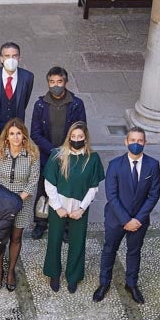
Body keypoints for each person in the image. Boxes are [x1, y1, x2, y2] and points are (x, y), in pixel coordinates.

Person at [95, 127, 160, 305]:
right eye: (133, 140)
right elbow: (112, 195)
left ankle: (131, 284)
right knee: (109, 250)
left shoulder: (152, 165)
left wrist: (137, 219)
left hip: (139, 221)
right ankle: (104, 283)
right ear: (126, 142)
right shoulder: (115, 165)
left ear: (145, 143)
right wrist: (126, 220)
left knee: (134, 252)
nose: (136, 144)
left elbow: (153, 195)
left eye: (140, 141)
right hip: (116, 219)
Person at [42, 121, 105, 293]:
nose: (76, 139)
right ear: (69, 137)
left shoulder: (92, 158)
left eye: (80, 137)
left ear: (85, 139)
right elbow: (49, 183)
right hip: (59, 207)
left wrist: (82, 209)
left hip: (80, 208)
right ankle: (54, 273)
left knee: (78, 243)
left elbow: (93, 187)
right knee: (54, 240)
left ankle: (73, 277)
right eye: (74, 136)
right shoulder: (58, 155)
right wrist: (57, 206)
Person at [30, 67, 87, 240]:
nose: (56, 86)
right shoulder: (40, 105)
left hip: (70, 154)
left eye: (59, 82)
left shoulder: (77, 104)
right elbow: (35, 133)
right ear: (48, 83)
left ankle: (66, 226)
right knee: (43, 192)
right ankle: (41, 223)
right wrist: (54, 151)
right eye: (52, 82)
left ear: (65, 82)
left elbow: (81, 128)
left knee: (67, 190)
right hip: (48, 156)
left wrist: (66, 150)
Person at [0, 119, 40, 292]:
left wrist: (16, 201)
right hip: (0, 203)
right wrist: (3, 201)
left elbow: (33, 182)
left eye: (18, 133)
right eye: (11, 134)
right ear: (6, 136)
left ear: (23, 134)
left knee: (16, 238)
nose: (15, 137)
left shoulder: (32, 152)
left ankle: (11, 271)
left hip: (22, 203)